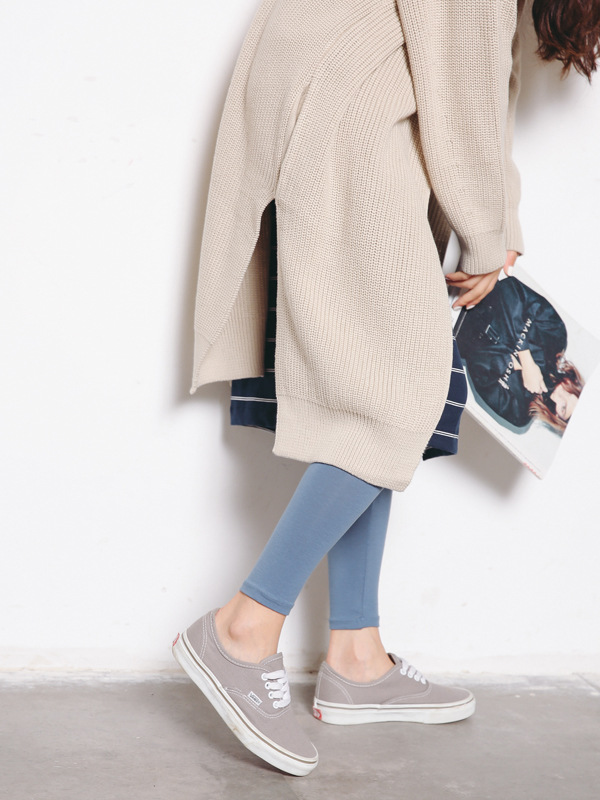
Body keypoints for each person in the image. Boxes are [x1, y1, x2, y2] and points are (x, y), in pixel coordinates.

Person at [173, 0, 600, 777]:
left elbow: (471, 61)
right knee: (395, 390)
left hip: (352, 94)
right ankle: (242, 629)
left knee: (378, 382)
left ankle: (357, 657)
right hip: (349, 107)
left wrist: (493, 215)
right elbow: (461, 67)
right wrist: (487, 227)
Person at [455, 276, 585, 432]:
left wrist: (512, 364)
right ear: (575, 384)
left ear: (557, 417)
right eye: (569, 393)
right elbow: (510, 289)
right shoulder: (556, 336)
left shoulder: (520, 413)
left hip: (452, 330)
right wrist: (526, 359)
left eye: (563, 408)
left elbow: (477, 367)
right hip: (473, 285)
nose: (559, 397)